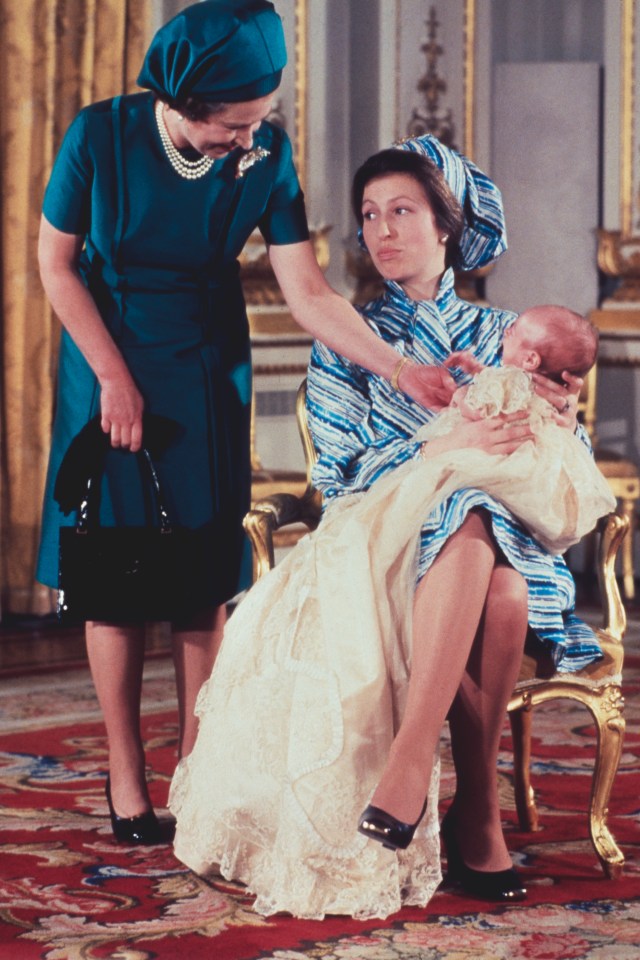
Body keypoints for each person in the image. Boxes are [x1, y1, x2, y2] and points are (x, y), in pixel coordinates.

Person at [35, 1, 457, 846]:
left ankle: (199, 775)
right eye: (236, 124)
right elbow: (54, 263)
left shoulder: (267, 153)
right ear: (187, 103)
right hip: (107, 357)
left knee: (202, 583)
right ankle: (127, 778)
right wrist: (112, 377)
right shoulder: (99, 136)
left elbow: (307, 292)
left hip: (202, 368)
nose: (250, 138)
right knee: (116, 583)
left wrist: (402, 369)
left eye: (260, 121)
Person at [169, 135, 607, 917]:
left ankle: (446, 786)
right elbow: (335, 477)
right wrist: (448, 448)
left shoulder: (510, 332)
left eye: (402, 211)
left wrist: (557, 420)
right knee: (464, 516)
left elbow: (549, 459)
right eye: (369, 215)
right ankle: (457, 795)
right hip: (379, 537)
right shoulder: (345, 339)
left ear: (447, 227)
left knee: (495, 562)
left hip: (504, 542)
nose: (381, 230)